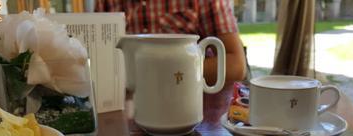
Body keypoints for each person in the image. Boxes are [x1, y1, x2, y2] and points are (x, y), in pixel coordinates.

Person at [95, 0, 246, 85]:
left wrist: (158, 72)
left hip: (189, 99)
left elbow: (236, 66)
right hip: (127, 111)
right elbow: (99, 61)